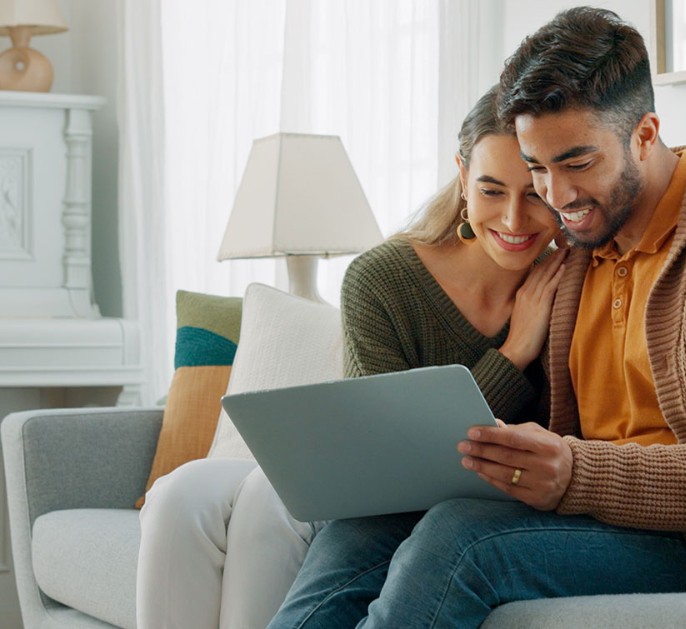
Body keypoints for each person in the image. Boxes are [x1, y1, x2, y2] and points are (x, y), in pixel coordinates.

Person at [270, 7, 686, 628]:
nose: (555, 196)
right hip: (585, 513)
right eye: (537, 167)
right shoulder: (581, 242)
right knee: (358, 532)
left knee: (459, 539)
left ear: (646, 134)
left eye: (576, 163)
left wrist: (577, 472)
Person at [136, 86, 564, 629]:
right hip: (376, 492)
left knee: (269, 506)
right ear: (462, 176)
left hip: (473, 505)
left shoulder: (568, 285)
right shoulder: (383, 278)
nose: (514, 218)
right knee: (180, 494)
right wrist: (514, 352)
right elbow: (390, 463)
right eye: (491, 189)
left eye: (534, 194)